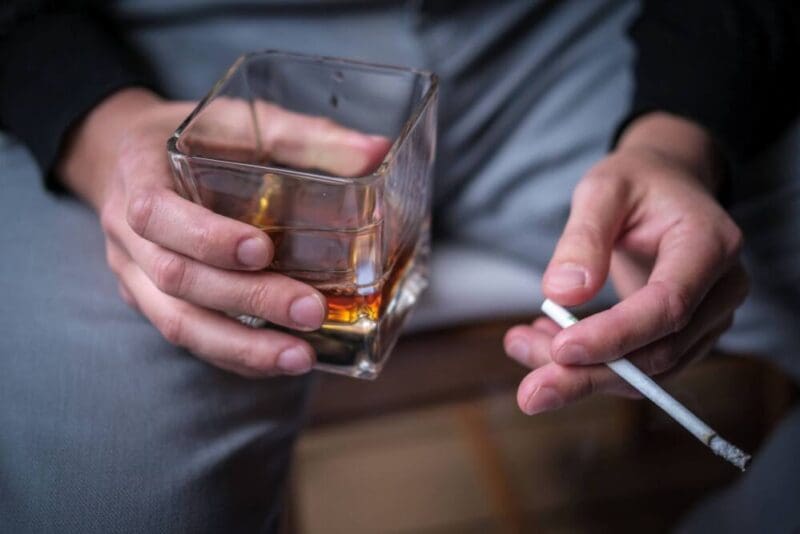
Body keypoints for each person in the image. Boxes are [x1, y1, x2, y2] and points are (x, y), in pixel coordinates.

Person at [1, 1, 797, 532]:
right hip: (159, 68)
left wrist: (678, 137)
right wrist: (98, 129)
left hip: (573, 41)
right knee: (108, 505)